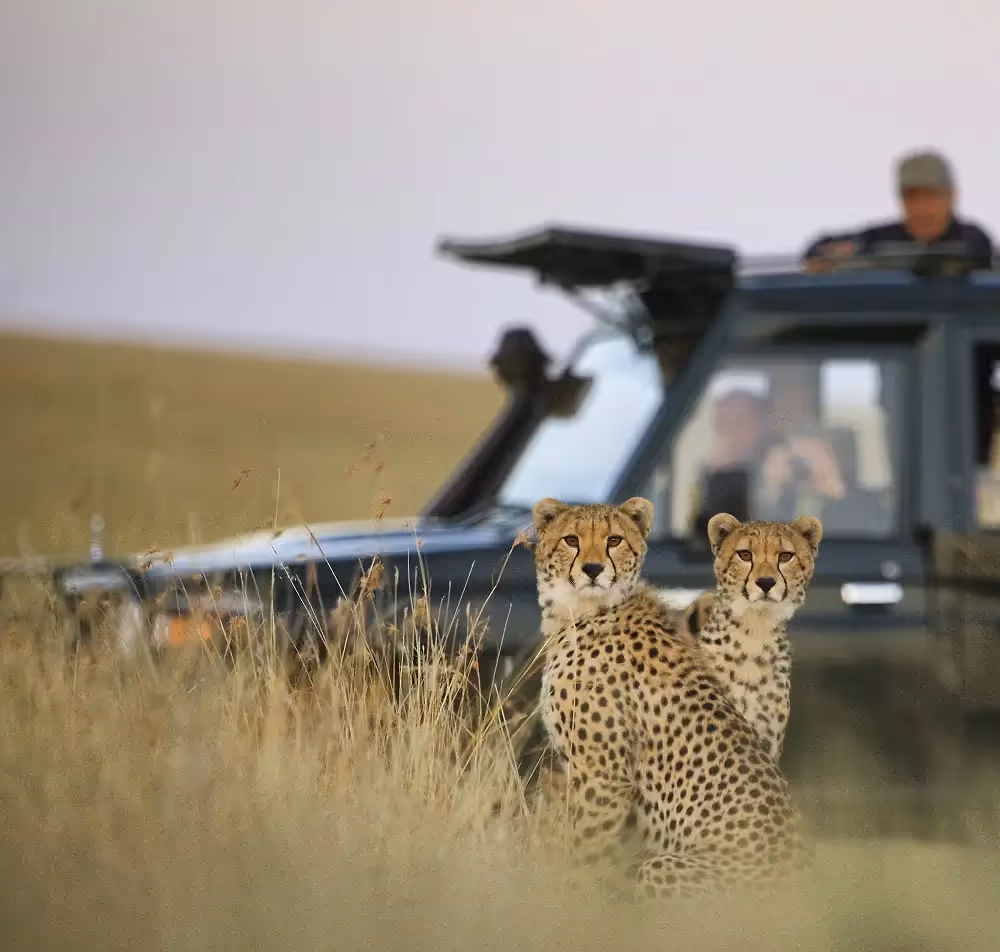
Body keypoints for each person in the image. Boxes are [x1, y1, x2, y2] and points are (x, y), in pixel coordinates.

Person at [803, 150, 995, 271]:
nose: (920, 208)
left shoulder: (971, 238)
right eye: (910, 197)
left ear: (951, 197)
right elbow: (818, 249)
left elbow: (974, 259)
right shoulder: (881, 239)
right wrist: (837, 253)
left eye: (930, 196)